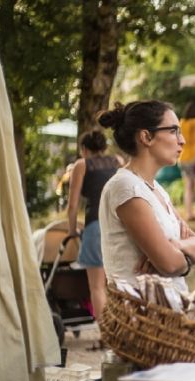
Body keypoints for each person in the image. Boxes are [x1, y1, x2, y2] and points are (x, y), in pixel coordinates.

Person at [97, 100, 195, 291]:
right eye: (173, 131)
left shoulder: (156, 189)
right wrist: (184, 256)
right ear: (146, 137)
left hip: (169, 313)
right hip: (142, 314)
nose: (182, 140)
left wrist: (176, 245)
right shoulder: (126, 188)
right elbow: (169, 264)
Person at [66, 130, 122, 321]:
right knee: (118, 285)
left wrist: (72, 230)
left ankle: (106, 337)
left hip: (96, 226)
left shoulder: (81, 165)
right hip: (120, 226)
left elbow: (73, 205)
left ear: (84, 149)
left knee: (97, 287)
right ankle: (122, 330)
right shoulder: (118, 161)